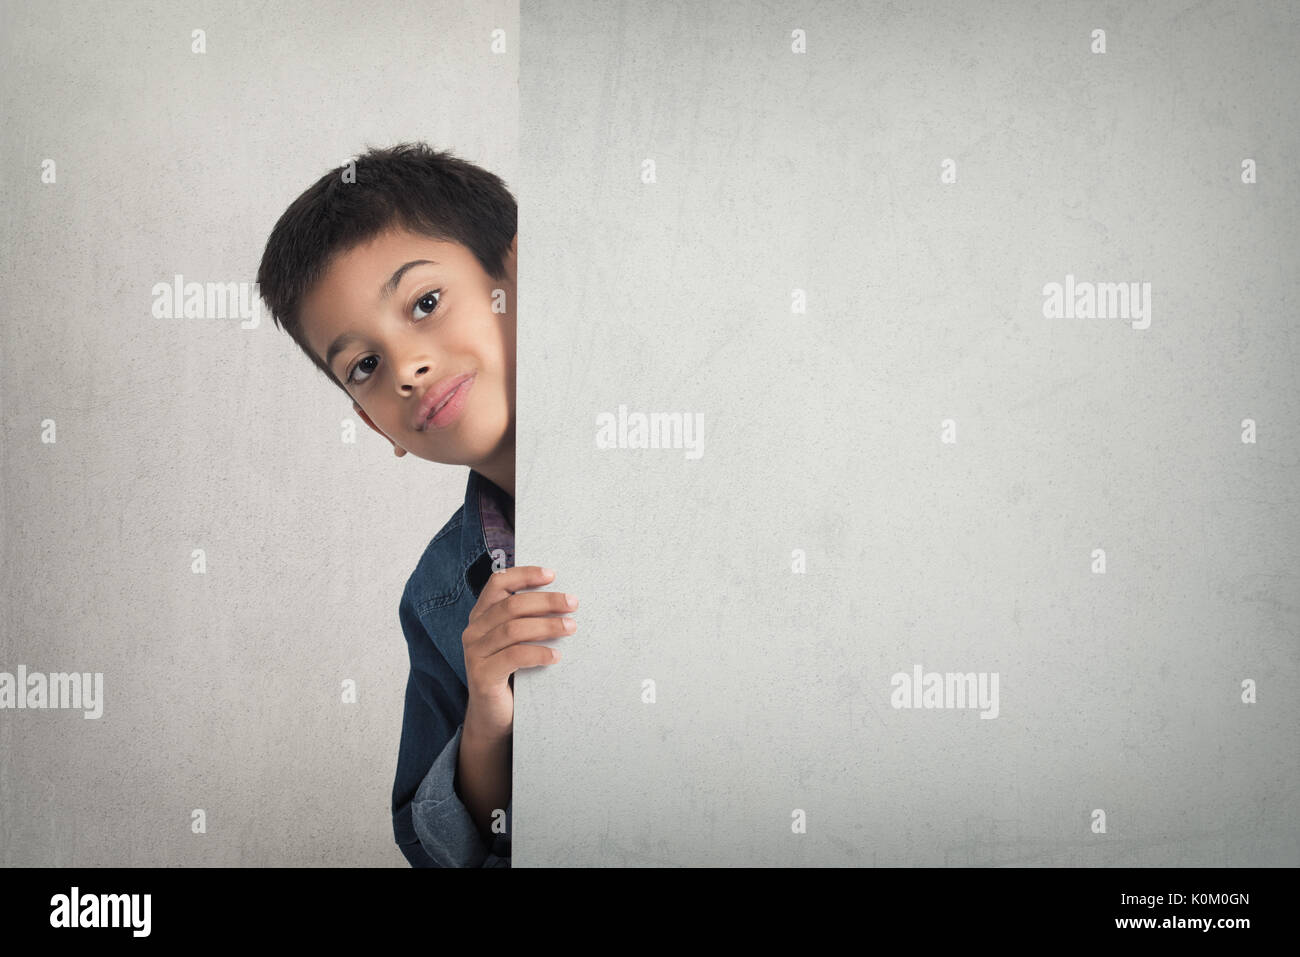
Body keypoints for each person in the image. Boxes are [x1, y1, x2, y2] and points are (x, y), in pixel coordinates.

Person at [255, 143, 576, 866]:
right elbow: (448, 852)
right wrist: (489, 719)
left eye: (425, 303)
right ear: (371, 423)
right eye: (364, 366)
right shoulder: (437, 597)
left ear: (521, 271)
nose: (407, 367)